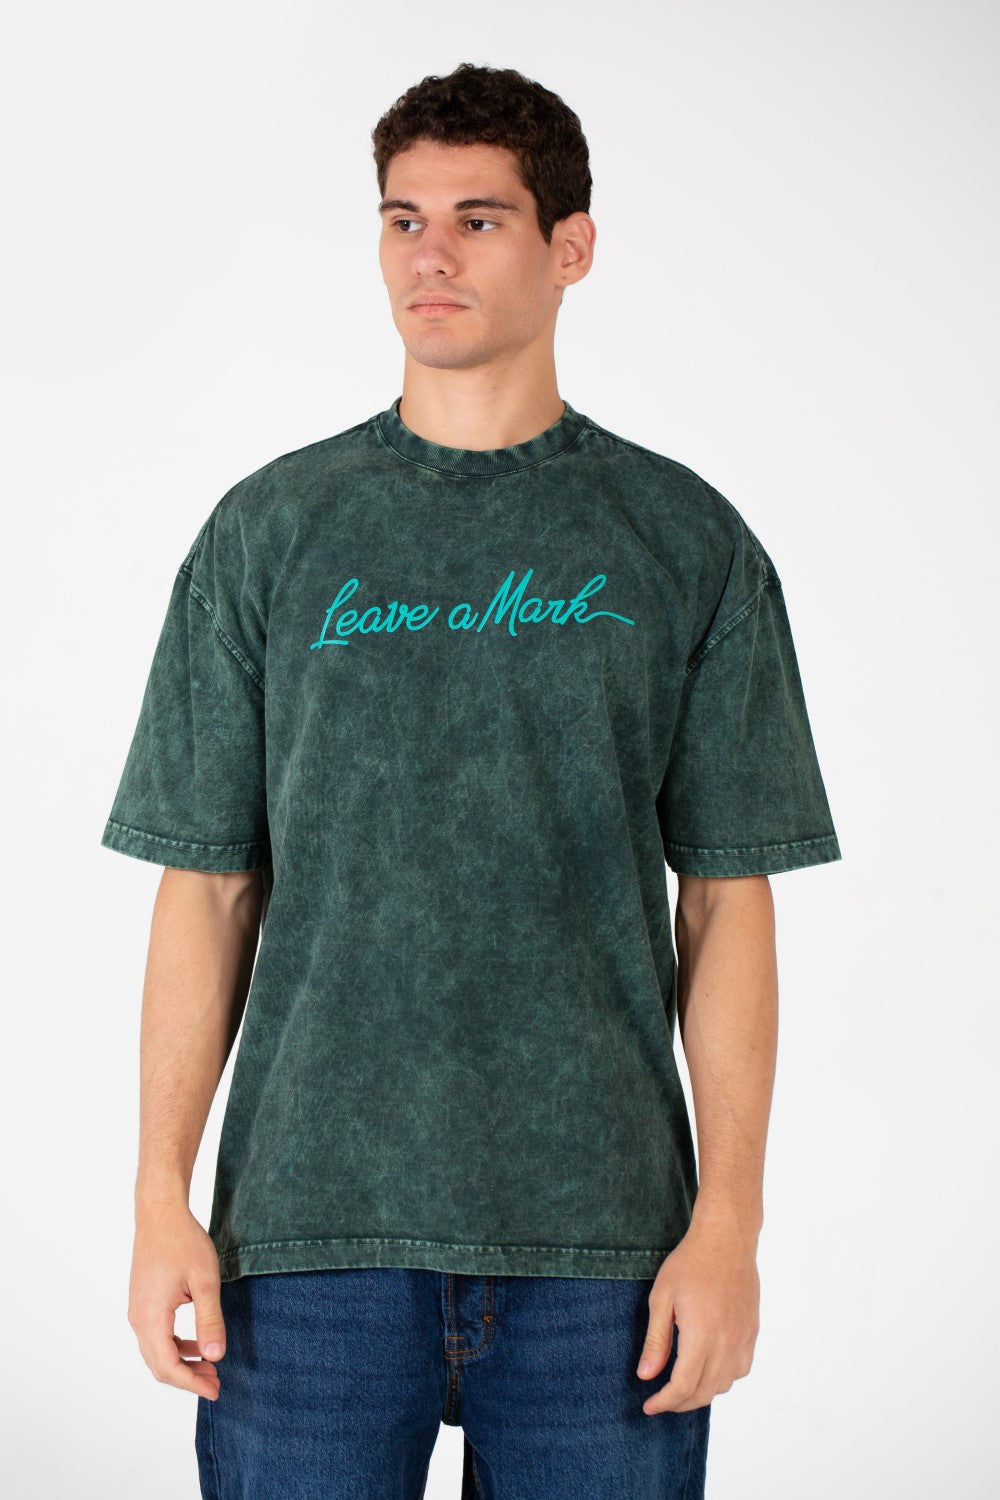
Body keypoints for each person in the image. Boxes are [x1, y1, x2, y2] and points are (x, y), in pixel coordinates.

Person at [101, 62, 842, 1500]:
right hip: (304, 1245)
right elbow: (208, 887)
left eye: (478, 220)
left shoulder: (683, 541)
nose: (428, 255)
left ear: (571, 247)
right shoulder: (271, 534)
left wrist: (729, 1226)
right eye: (403, 219)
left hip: (608, 1257)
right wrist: (157, 1200)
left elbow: (726, 900)